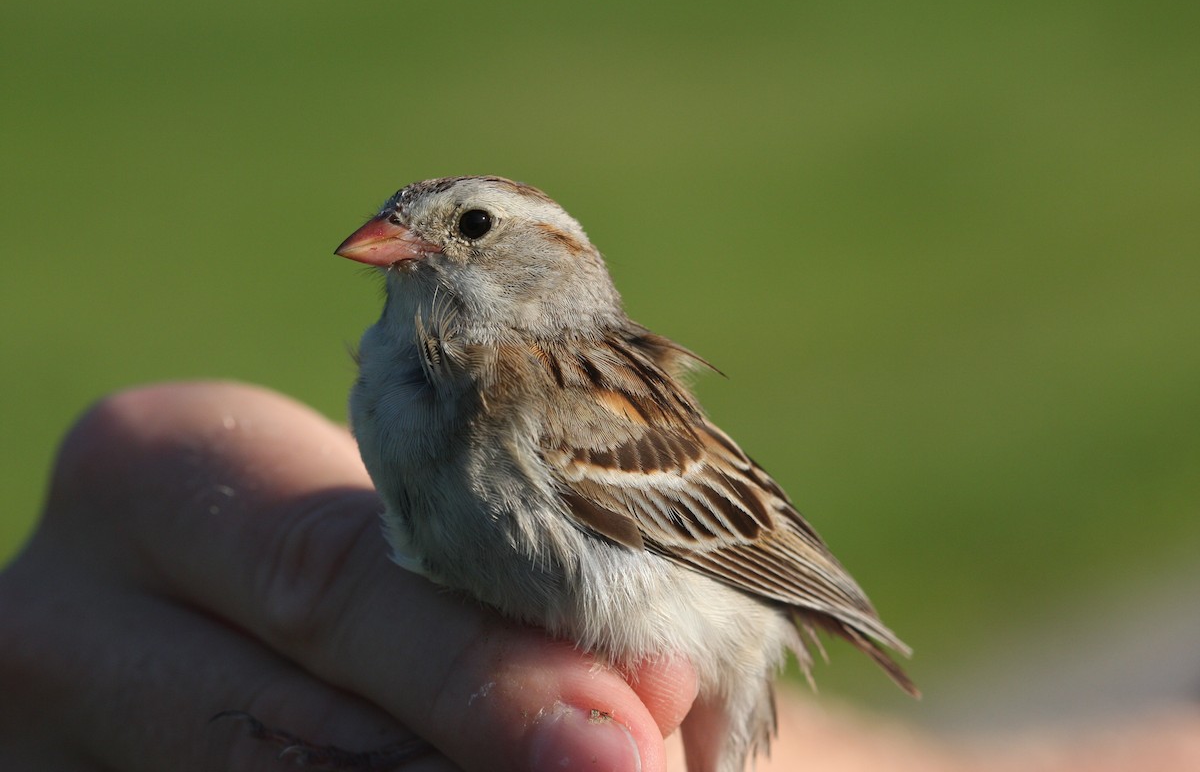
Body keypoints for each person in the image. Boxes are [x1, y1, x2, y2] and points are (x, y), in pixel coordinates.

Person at [2, 382, 1196, 771]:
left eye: (468, 228)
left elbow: (733, 536)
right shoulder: (413, 388)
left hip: (722, 601)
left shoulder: (559, 406)